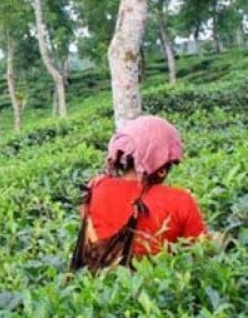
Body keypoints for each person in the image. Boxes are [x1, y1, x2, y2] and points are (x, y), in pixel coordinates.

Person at [70, 116, 207, 273]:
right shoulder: (179, 201)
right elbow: (201, 254)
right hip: (157, 289)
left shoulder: (97, 187)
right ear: (162, 168)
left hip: (101, 290)